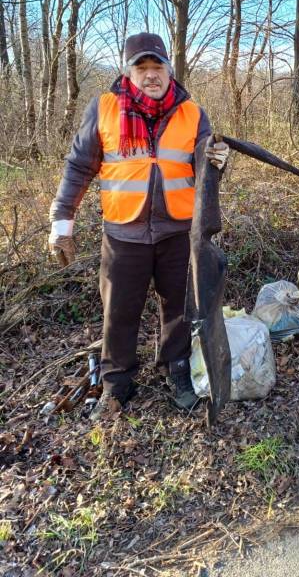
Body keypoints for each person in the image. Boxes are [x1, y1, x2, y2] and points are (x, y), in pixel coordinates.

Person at [48, 32, 230, 419]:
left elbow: (206, 173)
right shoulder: (105, 108)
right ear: (128, 71)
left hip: (178, 232)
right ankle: (117, 384)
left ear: (169, 69)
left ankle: (176, 370)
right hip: (122, 234)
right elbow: (79, 166)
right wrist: (62, 220)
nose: (151, 75)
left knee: (180, 309)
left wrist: (217, 161)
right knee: (118, 312)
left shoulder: (192, 113)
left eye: (157, 66)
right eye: (141, 67)